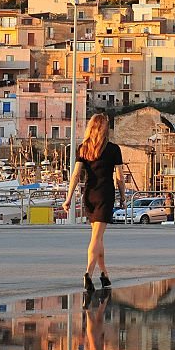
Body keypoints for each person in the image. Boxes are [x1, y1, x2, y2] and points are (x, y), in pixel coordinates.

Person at [62, 113, 125, 292]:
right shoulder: (113, 149)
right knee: (96, 238)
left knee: (98, 238)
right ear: (105, 128)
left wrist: (68, 197)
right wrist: (122, 197)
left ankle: (104, 274)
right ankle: (88, 274)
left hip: (89, 195)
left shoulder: (83, 148)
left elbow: (75, 175)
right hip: (105, 195)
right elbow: (119, 177)